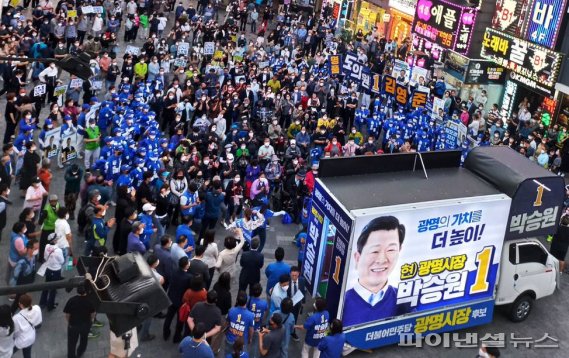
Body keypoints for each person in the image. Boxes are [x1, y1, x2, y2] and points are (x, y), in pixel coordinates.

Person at [342, 216, 413, 327]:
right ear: (357, 258)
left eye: (391, 250)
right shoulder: (341, 302)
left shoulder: (405, 301)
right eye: (374, 251)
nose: (382, 260)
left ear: (399, 251)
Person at [163, 256, 193, 341]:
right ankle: (176, 337)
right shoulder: (188, 277)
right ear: (186, 265)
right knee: (180, 320)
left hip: (171, 297)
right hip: (181, 301)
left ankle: (166, 334)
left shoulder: (174, 271)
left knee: (169, 317)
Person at [64, 285, 97, 358]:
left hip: (73, 325)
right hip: (85, 325)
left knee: (71, 343)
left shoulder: (71, 300)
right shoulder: (90, 300)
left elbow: (67, 314)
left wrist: (69, 323)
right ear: (86, 291)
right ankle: (80, 351)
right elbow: (93, 313)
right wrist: (91, 320)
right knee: (84, 339)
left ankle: (71, 355)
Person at [39, 233, 65, 311]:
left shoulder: (47, 246)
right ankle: (50, 305)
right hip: (56, 270)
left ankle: (42, 302)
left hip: (48, 269)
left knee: (46, 286)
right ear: (54, 240)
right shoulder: (58, 250)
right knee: (53, 289)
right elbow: (62, 261)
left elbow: (44, 257)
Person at [287, 266, 306, 341]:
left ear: (298, 274)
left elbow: (303, 292)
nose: (294, 277)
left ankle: (292, 332)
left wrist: (303, 302)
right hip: (287, 304)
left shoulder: (302, 281)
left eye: (295, 275)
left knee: (294, 319)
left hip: (297, 305)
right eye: (292, 275)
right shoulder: (287, 281)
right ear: (290, 274)